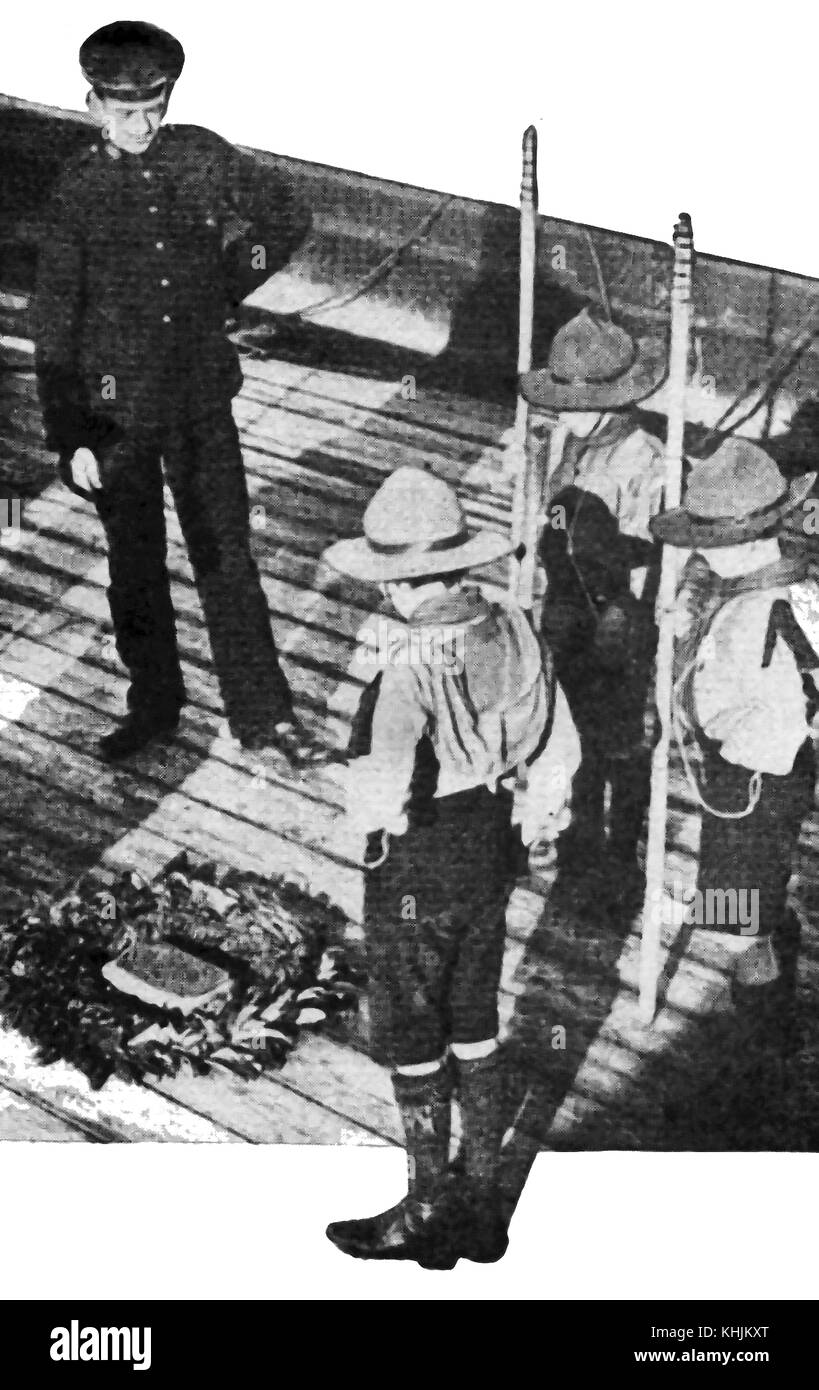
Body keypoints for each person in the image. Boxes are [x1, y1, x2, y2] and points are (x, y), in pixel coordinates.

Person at [32, 21, 319, 764]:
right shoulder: (78, 191)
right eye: (121, 110)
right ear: (92, 105)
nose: (139, 124)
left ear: (169, 98)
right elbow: (54, 320)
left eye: (152, 106)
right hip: (113, 412)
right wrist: (72, 434)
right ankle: (153, 708)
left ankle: (263, 714)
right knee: (136, 568)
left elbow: (286, 216)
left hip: (198, 399)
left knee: (227, 558)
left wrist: (228, 280)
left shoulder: (200, 155)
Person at [322, 465, 579, 1266]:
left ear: (398, 581)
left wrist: (352, 793)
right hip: (490, 845)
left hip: (418, 863)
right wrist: (536, 812)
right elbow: (556, 744)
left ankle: (428, 1209)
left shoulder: (407, 660)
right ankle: (484, 1200)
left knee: (408, 1021)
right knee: (474, 1014)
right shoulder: (509, 624)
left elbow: (384, 788)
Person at [650, 437, 818, 1103]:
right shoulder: (800, 589)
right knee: (760, 891)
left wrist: (681, 652)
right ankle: (772, 974)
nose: (697, 552)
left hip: (746, 778)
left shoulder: (744, 615)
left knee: (730, 915)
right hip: (789, 765)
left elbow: (710, 709)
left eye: (705, 540)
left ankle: (763, 1050)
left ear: (739, 542)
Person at [519, 307, 668, 918]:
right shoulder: (567, 440)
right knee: (564, 726)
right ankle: (576, 836)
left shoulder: (645, 457)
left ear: (613, 398)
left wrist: (630, 622)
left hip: (617, 619)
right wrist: (532, 464)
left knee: (621, 743)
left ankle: (620, 855)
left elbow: (650, 554)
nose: (563, 412)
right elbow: (545, 520)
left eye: (574, 401)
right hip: (563, 609)